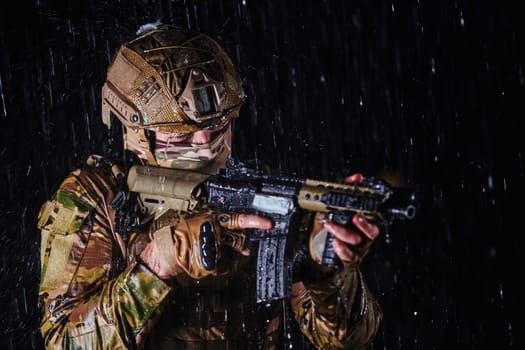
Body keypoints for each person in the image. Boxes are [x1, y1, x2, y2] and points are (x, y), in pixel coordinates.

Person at [37, 24, 382, 349]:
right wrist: (159, 262)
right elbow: (64, 341)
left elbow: (349, 341)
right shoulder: (96, 198)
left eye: (217, 130)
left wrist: (326, 273)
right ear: (135, 132)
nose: (204, 146)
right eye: (182, 137)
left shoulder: (259, 195)